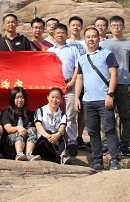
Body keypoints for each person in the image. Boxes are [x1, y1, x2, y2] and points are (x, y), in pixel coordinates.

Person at [75, 27, 121, 171]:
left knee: (109, 129)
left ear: (98, 38)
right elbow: (79, 79)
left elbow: (114, 74)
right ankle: (97, 160)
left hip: (104, 98)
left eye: (94, 36)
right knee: (92, 132)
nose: (91, 39)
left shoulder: (107, 54)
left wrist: (110, 94)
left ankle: (114, 159)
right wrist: (77, 98)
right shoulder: (82, 58)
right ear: (85, 39)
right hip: (88, 100)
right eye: (88, 37)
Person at [101, 15, 130, 155]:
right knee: (107, 116)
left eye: (119, 25)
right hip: (107, 84)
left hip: (124, 83)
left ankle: (124, 144)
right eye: (114, 25)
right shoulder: (104, 44)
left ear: (123, 27)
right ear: (110, 27)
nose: (116, 28)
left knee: (125, 116)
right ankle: (108, 143)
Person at [47, 23, 81, 159]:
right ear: (53, 35)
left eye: (62, 33)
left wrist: (72, 81)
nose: (60, 35)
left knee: (70, 114)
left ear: (66, 34)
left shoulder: (73, 49)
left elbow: (78, 67)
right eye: (58, 33)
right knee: (55, 113)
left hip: (69, 85)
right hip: (54, 87)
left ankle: (72, 141)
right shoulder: (50, 51)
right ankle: (57, 139)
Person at [1, 87, 40, 161]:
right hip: (9, 146)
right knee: (20, 131)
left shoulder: (29, 114)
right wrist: (18, 128)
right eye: (17, 98)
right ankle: (19, 153)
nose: (20, 100)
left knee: (32, 129)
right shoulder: (7, 112)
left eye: (22, 97)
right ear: (12, 99)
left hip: (25, 145)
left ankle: (29, 154)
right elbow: (8, 129)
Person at [66, 15, 87, 149]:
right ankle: (67, 136)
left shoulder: (85, 42)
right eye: (73, 25)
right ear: (69, 27)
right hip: (70, 80)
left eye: (78, 25)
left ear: (81, 27)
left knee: (81, 109)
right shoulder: (65, 42)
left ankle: (79, 136)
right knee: (69, 110)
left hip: (85, 79)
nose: (75, 27)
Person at [34, 87, 68, 164]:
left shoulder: (63, 115)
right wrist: (49, 137)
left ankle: (63, 156)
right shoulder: (40, 111)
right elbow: (38, 126)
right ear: (48, 97)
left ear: (61, 99)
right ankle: (60, 155)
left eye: (57, 98)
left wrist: (56, 136)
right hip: (42, 142)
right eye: (52, 97)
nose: (54, 100)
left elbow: (62, 128)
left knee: (61, 135)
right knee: (48, 132)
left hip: (55, 143)